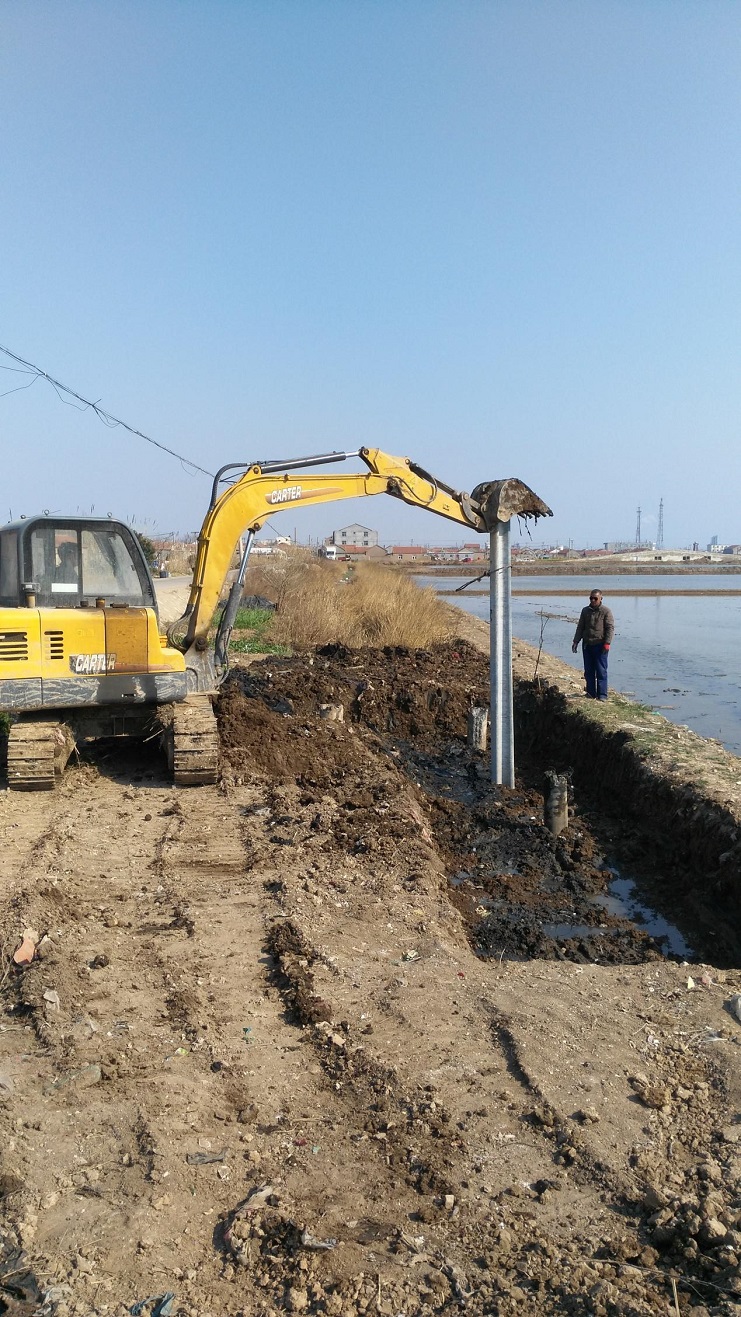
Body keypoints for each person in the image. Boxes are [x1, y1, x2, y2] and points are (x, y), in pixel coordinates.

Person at [572, 589, 614, 700]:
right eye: (591, 598)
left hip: (600, 645)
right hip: (587, 645)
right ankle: (590, 693)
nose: (593, 600)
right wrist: (576, 641)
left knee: (601, 671)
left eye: (595, 598)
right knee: (589, 671)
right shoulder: (585, 611)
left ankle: (602, 695)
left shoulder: (606, 611)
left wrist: (607, 643)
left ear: (601, 598)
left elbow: (610, 628)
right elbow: (580, 627)